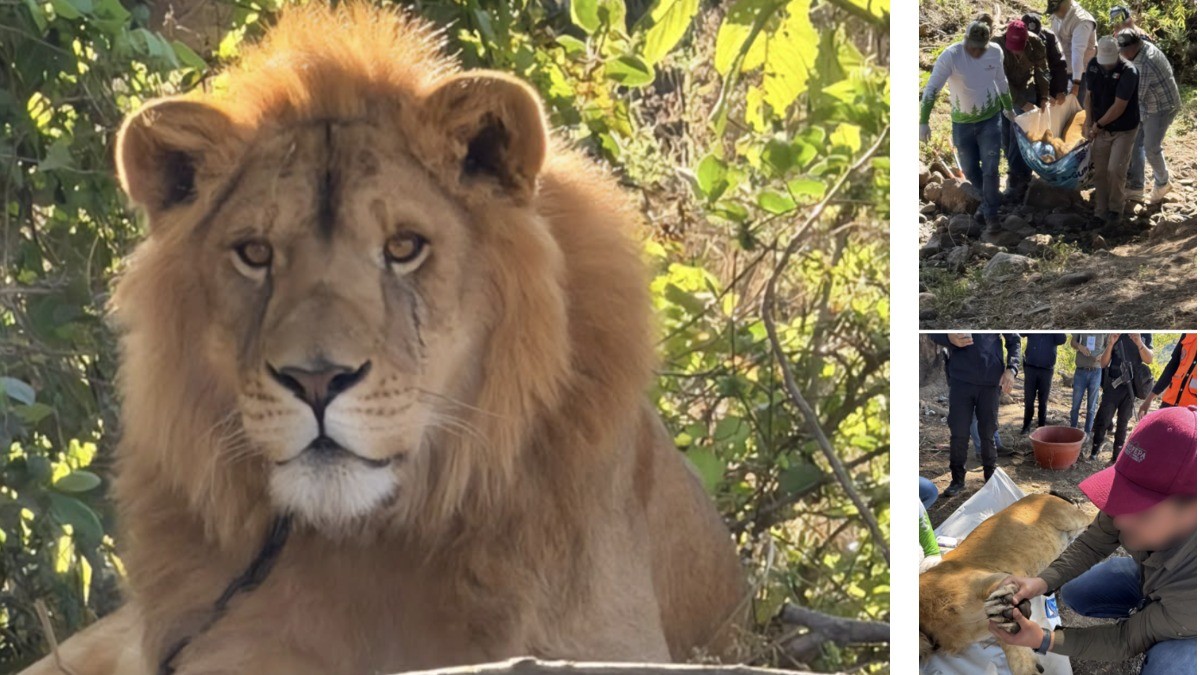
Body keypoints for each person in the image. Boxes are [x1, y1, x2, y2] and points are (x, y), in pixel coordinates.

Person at [988, 405, 1197, 674]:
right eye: (1123, 496)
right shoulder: (1147, 498)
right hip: (1160, 583)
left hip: (1191, 612)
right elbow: (1093, 541)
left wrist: (1043, 639)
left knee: (1171, 667)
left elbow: (1125, 639)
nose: (1120, 521)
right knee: (1077, 591)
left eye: (1141, 510)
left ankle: (1171, 632)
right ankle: (1156, 613)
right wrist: (1041, 582)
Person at [919, 21, 1011, 233]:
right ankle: (990, 200)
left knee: (990, 168)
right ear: (965, 40)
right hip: (962, 124)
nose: (976, 51)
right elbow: (932, 88)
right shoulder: (951, 56)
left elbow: (1001, 81)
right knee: (970, 170)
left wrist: (1008, 108)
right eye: (972, 46)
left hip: (990, 119)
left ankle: (991, 215)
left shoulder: (995, 52)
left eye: (981, 47)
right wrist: (923, 121)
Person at [930, 333, 1020, 497]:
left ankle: (991, 479)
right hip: (960, 381)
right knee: (959, 433)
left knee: (988, 433)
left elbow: (1014, 340)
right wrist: (948, 337)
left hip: (991, 381)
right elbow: (933, 334)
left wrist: (1011, 368)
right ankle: (957, 480)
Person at [1119, 29, 1181, 205]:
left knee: (1150, 147)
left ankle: (1163, 182)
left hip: (1162, 106)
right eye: (1121, 48)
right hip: (1147, 103)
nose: (1123, 53)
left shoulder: (1144, 63)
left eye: (1126, 49)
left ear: (1136, 44)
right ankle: (1137, 187)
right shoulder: (1139, 49)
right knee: (1134, 141)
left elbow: (1134, 97)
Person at [1084, 36, 1140, 227]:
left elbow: (1119, 106)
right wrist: (1087, 121)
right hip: (1101, 127)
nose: (1106, 66)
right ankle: (1100, 211)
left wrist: (1097, 125)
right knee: (1099, 171)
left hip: (1124, 128)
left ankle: (1116, 209)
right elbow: (1089, 96)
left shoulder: (1129, 71)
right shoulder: (1093, 66)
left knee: (1115, 169)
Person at [993, 19, 1051, 202]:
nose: (1016, 50)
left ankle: (1019, 179)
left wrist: (1044, 97)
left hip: (1026, 87)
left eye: (1019, 46)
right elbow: (998, 79)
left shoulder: (1036, 43)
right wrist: (1021, 102)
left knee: (1020, 134)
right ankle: (1014, 172)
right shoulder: (996, 46)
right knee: (1006, 136)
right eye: (1013, 46)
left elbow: (1042, 71)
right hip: (1002, 92)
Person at [1092, 333, 1153, 462]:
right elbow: (1103, 363)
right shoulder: (1117, 333)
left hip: (1131, 387)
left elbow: (1149, 359)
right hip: (1113, 385)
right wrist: (1110, 344)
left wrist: (1139, 343)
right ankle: (1094, 451)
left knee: (1123, 423)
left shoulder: (1145, 334)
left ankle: (1116, 456)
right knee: (1104, 419)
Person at [1048, 0, 1097, 106]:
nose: (1055, 13)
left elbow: (1077, 53)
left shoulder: (1082, 21)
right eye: (1053, 10)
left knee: (1077, 108)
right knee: (1060, 106)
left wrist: (1076, 84)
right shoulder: (1057, 14)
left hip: (1081, 73)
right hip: (1064, 68)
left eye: (1057, 9)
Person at [1140, 334, 1197, 418]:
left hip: (1191, 413)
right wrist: (1148, 400)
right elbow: (1171, 367)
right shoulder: (1189, 333)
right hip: (1169, 403)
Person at [1020, 333, 1067, 434]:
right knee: (1029, 399)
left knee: (1043, 401)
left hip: (1046, 370)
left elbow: (1062, 340)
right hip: (1030, 368)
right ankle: (1026, 425)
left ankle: (1041, 427)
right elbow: (1021, 333)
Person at [1023, 12, 1071, 102]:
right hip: (1027, 84)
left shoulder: (1050, 37)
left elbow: (1060, 64)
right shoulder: (1015, 39)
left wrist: (1060, 90)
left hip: (1048, 76)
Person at [1070, 333, 1108, 435]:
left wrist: (1103, 355)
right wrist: (1080, 346)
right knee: (1075, 405)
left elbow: (1110, 347)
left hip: (1096, 371)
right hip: (1080, 370)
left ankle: (1087, 433)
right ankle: (1072, 430)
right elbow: (1072, 342)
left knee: (1091, 406)